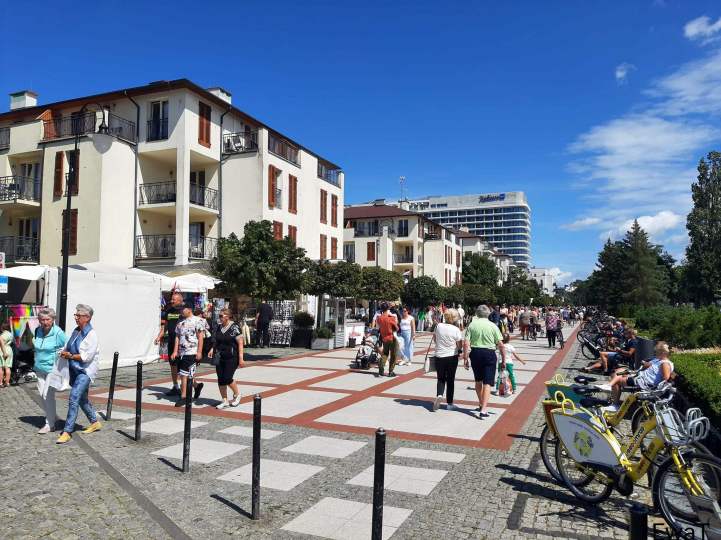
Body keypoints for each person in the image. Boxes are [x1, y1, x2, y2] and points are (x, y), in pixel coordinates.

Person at [56, 304, 101, 444]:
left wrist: (69, 356)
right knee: (82, 399)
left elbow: (86, 357)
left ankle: (67, 431)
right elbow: (68, 346)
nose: (76, 317)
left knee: (74, 397)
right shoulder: (76, 331)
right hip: (74, 369)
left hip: (85, 371)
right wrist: (63, 352)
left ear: (87, 317)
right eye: (76, 315)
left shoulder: (92, 335)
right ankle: (95, 422)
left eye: (78, 315)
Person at [465, 305, 506, 418]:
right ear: (488, 314)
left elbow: (466, 343)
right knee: (487, 382)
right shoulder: (493, 326)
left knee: (478, 380)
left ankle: (480, 402)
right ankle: (483, 409)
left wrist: (465, 358)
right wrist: (503, 360)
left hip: (475, 353)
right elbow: (501, 345)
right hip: (489, 354)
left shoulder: (472, 325)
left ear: (477, 313)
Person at [607, 341, 674, 408]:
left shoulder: (665, 364)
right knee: (619, 371)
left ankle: (614, 403)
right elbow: (649, 366)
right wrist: (645, 364)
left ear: (663, 353)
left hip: (644, 383)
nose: (655, 353)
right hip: (639, 377)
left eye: (657, 352)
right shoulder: (658, 360)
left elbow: (665, 379)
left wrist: (655, 388)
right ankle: (611, 389)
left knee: (617, 380)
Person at [32, 308, 67, 434]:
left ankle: (50, 424)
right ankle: (53, 416)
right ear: (39, 320)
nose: (45, 322)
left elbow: (66, 346)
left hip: (52, 369)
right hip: (39, 367)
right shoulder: (37, 331)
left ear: (53, 320)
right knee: (42, 396)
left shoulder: (58, 333)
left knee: (47, 395)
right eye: (42, 319)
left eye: (48, 319)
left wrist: (60, 356)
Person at [208, 308, 245, 409]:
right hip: (220, 356)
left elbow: (240, 343)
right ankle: (225, 400)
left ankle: (237, 394)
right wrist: (212, 349)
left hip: (232, 357)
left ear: (227, 316)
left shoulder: (235, 327)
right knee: (220, 379)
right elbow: (217, 341)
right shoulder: (218, 327)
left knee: (227, 378)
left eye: (221, 316)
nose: (219, 318)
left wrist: (241, 358)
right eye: (219, 316)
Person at [171, 306, 206, 407]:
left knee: (184, 375)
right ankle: (197, 386)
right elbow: (177, 336)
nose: (181, 311)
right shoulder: (180, 321)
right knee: (185, 374)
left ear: (189, 310)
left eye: (183, 309)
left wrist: (199, 352)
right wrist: (175, 351)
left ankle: (184, 397)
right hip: (181, 352)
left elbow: (200, 337)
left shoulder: (198, 320)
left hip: (192, 351)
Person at [431, 309, 464, 411]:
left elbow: (435, 339)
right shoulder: (456, 329)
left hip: (439, 356)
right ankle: (449, 403)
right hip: (451, 357)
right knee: (450, 380)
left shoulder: (438, 326)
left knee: (440, 378)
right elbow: (460, 345)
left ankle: (439, 395)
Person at [155, 292, 185, 396]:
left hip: (182, 343)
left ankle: (190, 386)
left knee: (183, 366)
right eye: (171, 299)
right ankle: (175, 386)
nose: (171, 301)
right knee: (173, 365)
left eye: (174, 300)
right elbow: (165, 326)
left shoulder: (184, 311)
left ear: (180, 300)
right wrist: (159, 337)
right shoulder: (168, 311)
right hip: (171, 341)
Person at [376, 303, 399, 377]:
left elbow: (378, 327)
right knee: (393, 355)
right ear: (388, 308)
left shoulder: (379, 318)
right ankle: (391, 371)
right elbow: (396, 328)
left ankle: (381, 366)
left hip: (384, 338)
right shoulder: (391, 318)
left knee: (385, 353)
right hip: (392, 337)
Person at [0, 321, 13, 387]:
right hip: (9, 349)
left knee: (1, 367)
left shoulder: (2, 335)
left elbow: (2, 344)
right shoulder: (10, 334)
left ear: (2, 327)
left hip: (2, 350)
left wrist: (4, 353)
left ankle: (0, 383)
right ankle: (7, 383)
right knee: (8, 367)